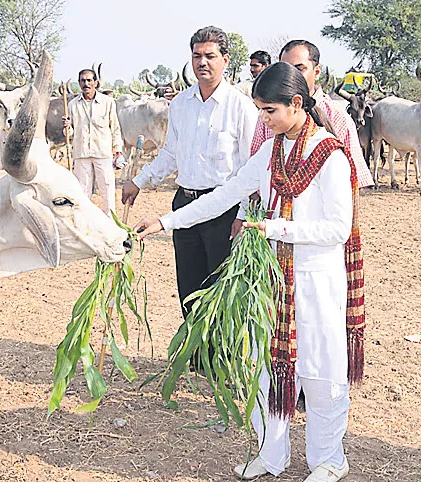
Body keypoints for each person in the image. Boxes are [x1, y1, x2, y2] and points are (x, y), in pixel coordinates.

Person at [134, 61, 365, 482]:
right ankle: (270, 454)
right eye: (259, 110)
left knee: (319, 370)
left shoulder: (331, 155)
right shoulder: (272, 151)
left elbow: (336, 229)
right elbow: (226, 194)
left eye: (269, 111)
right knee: (265, 368)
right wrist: (167, 222)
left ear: (297, 104)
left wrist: (273, 227)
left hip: (316, 279)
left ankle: (329, 459)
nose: (263, 119)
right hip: (272, 281)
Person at [121, 26, 258, 325]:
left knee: (221, 287)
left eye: (210, 56)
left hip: (223, 211)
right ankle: (195, 356)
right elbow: (171, 153)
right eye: (197, 56)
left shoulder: (241, 108)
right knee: (189, 286)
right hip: (184, 204)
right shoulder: (181, 104)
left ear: (225, 59)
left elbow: (250, 170)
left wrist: (243, 214)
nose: (202, 63)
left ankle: (221, 358)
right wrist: (138, 181)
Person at [231, 39, 373, 239]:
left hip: (318, 238)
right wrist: (243, 214)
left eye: (300, 69)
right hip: (269, 230)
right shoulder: (267, 118)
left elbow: (352, 186)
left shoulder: (339, 119)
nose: (292, 76)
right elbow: (253, 176)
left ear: (316, 72)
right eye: (286, 69)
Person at [62, 68, 123, 215]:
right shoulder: (72, 105)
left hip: (103, 153)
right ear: (79, 83)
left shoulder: (107, 102)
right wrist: (66, 127)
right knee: (82, 193)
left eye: (89, 80)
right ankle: (86, 224)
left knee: (107, 190)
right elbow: (69, 134)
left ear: (95, 82)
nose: (86, 84)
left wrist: (118, 151)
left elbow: (115, 127)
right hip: (81, 154)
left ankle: (110, 223)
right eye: (83, 81)